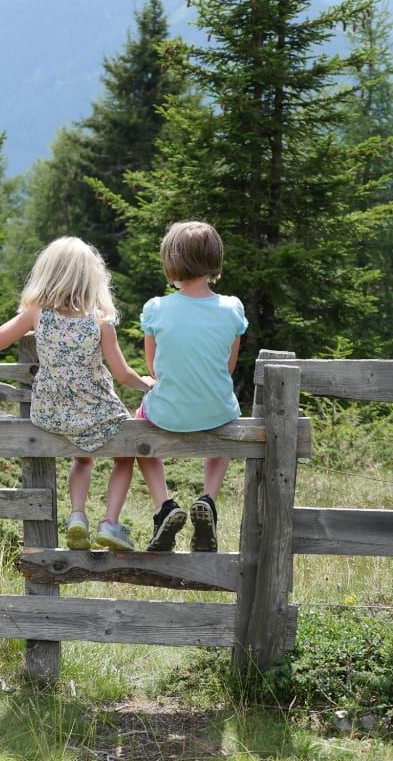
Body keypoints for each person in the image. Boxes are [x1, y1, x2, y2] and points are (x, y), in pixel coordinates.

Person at [0, 236, 153, 551]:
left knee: (83, 459)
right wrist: (147, 384)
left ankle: (77, 516)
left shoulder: (38, 312)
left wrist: (35, 327)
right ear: (92, 278)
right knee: (125, 455)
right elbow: (122, 374)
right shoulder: (100, 321)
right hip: (96, 410)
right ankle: (110, 523)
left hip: (52, 411)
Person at [136, 221, 248, 553]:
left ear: (171, 260)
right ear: (215, 257)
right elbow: (227, 367)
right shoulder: (232, 308)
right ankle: (208, 498)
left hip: (167, 413)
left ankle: (164, 505)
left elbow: (153, 368)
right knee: (226, 412)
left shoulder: (156, 308)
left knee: (139, 421)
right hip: (217, 411)